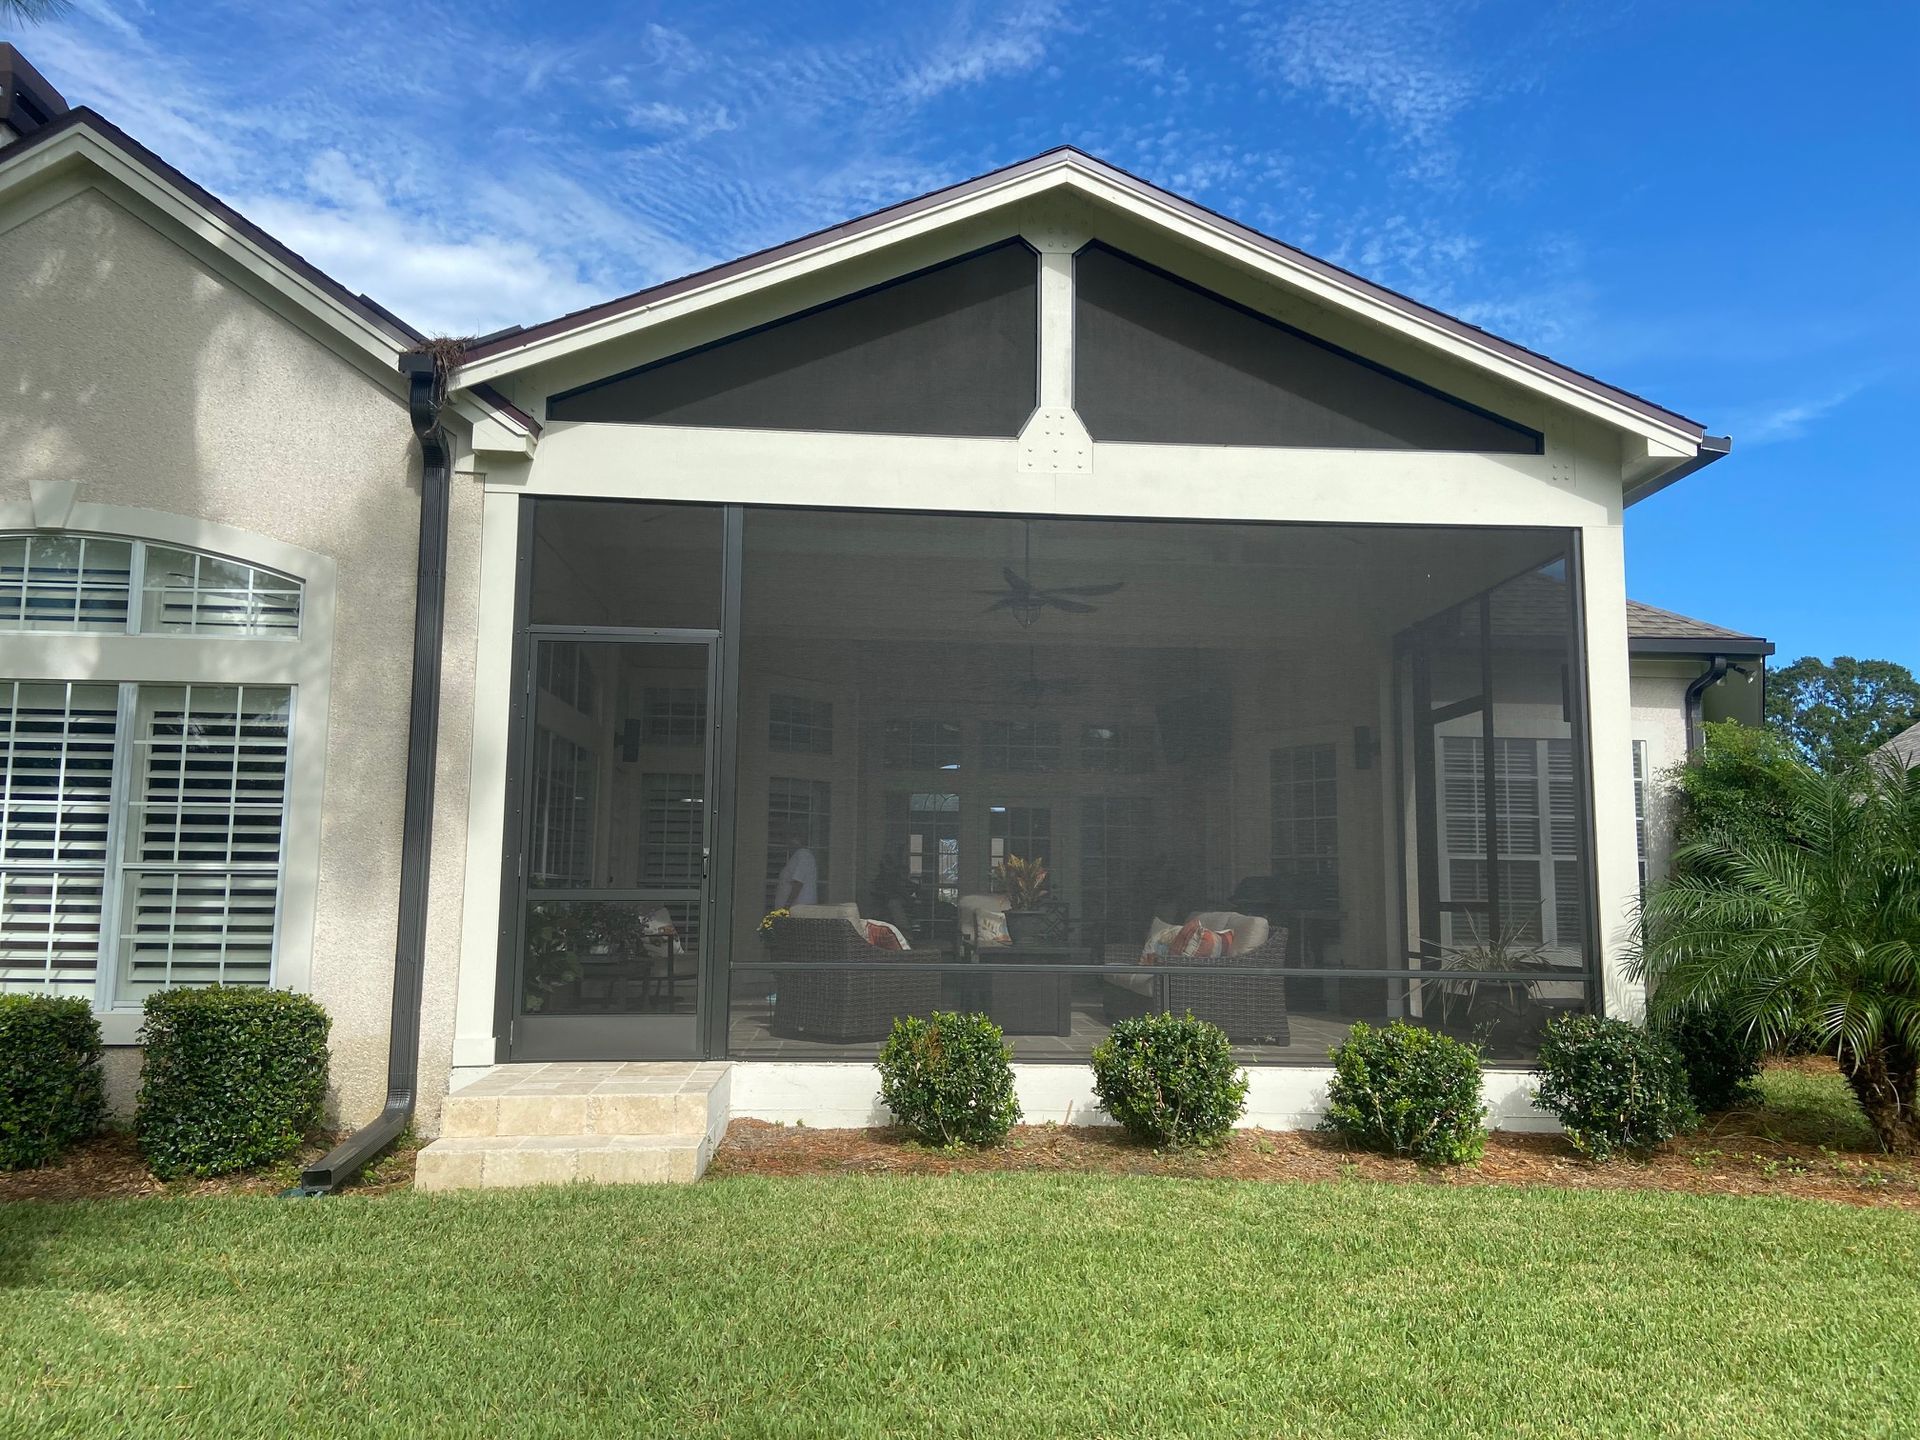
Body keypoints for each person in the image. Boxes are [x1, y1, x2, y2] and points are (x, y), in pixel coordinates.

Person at [772, 823, 818, 908]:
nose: (787, 841)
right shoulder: (797, 855)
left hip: (798, 910)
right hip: (793, 910)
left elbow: (798, 883)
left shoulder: (804, 855)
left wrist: (787, 905)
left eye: (791, 837)